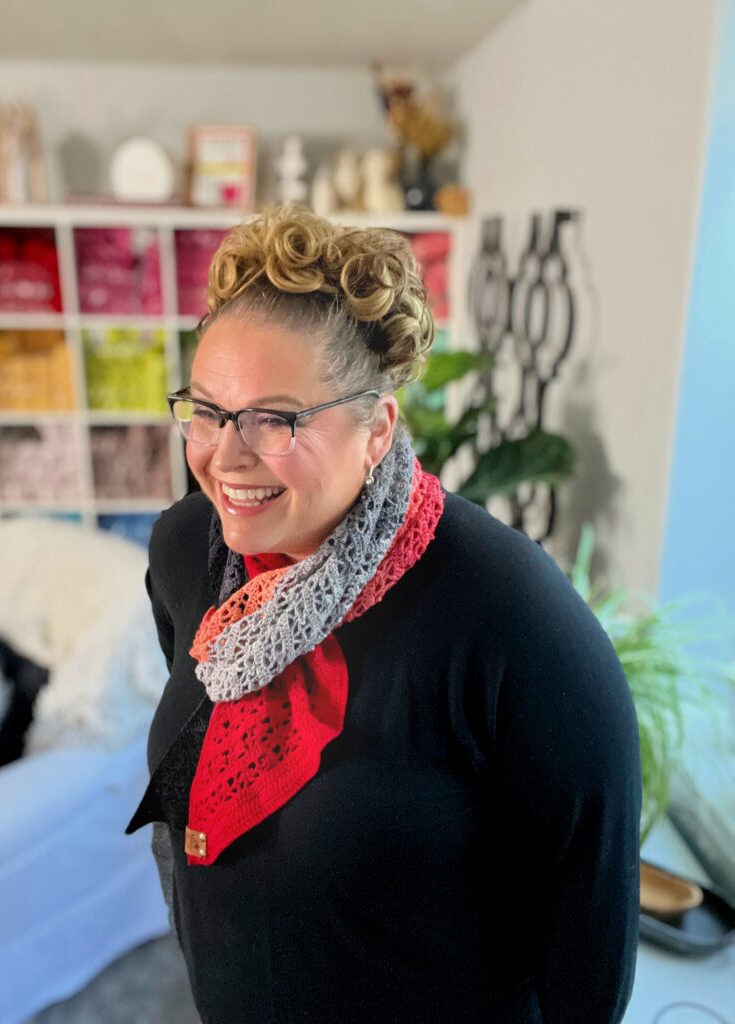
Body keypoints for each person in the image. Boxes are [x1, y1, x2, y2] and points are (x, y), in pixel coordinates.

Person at [125, 205, 642, 1024]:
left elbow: (590, 933)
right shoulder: (189, 548)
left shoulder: (515, 618)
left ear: (377, 429)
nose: (225, 456)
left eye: (277, 418)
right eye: (209, 410)